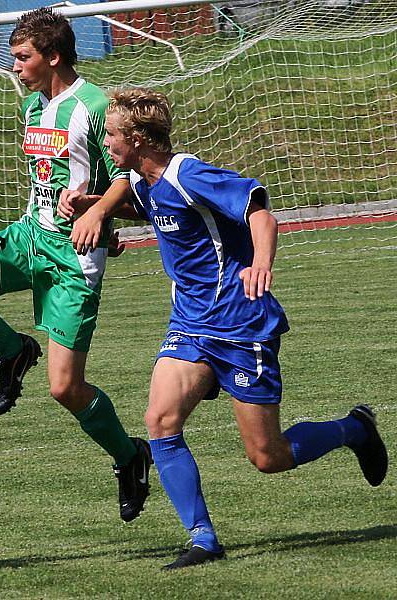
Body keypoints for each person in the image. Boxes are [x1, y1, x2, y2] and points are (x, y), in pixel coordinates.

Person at [69, 86, 388, 569]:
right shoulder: (146, 181)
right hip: (191, 325)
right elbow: (146, 206)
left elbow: (259, 212)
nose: (107, 141)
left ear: (139, 138)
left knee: (268, 456)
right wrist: (94, 205)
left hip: (242, 325)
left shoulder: (188, 174)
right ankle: (202, 538)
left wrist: (260, 264)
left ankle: (354, 429)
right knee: (160, 422)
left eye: (112, 134)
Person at [0, 7, 152, 523]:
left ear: (53, 56)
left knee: (64, 388)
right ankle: (13, 351)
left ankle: (128, 456)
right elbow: (47, 181)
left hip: (75, 257)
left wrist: (98, 214)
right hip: (31, 235)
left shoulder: (94, 105)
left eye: (22, 57)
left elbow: (129, 179)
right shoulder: (31, 107)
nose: (15, 66)